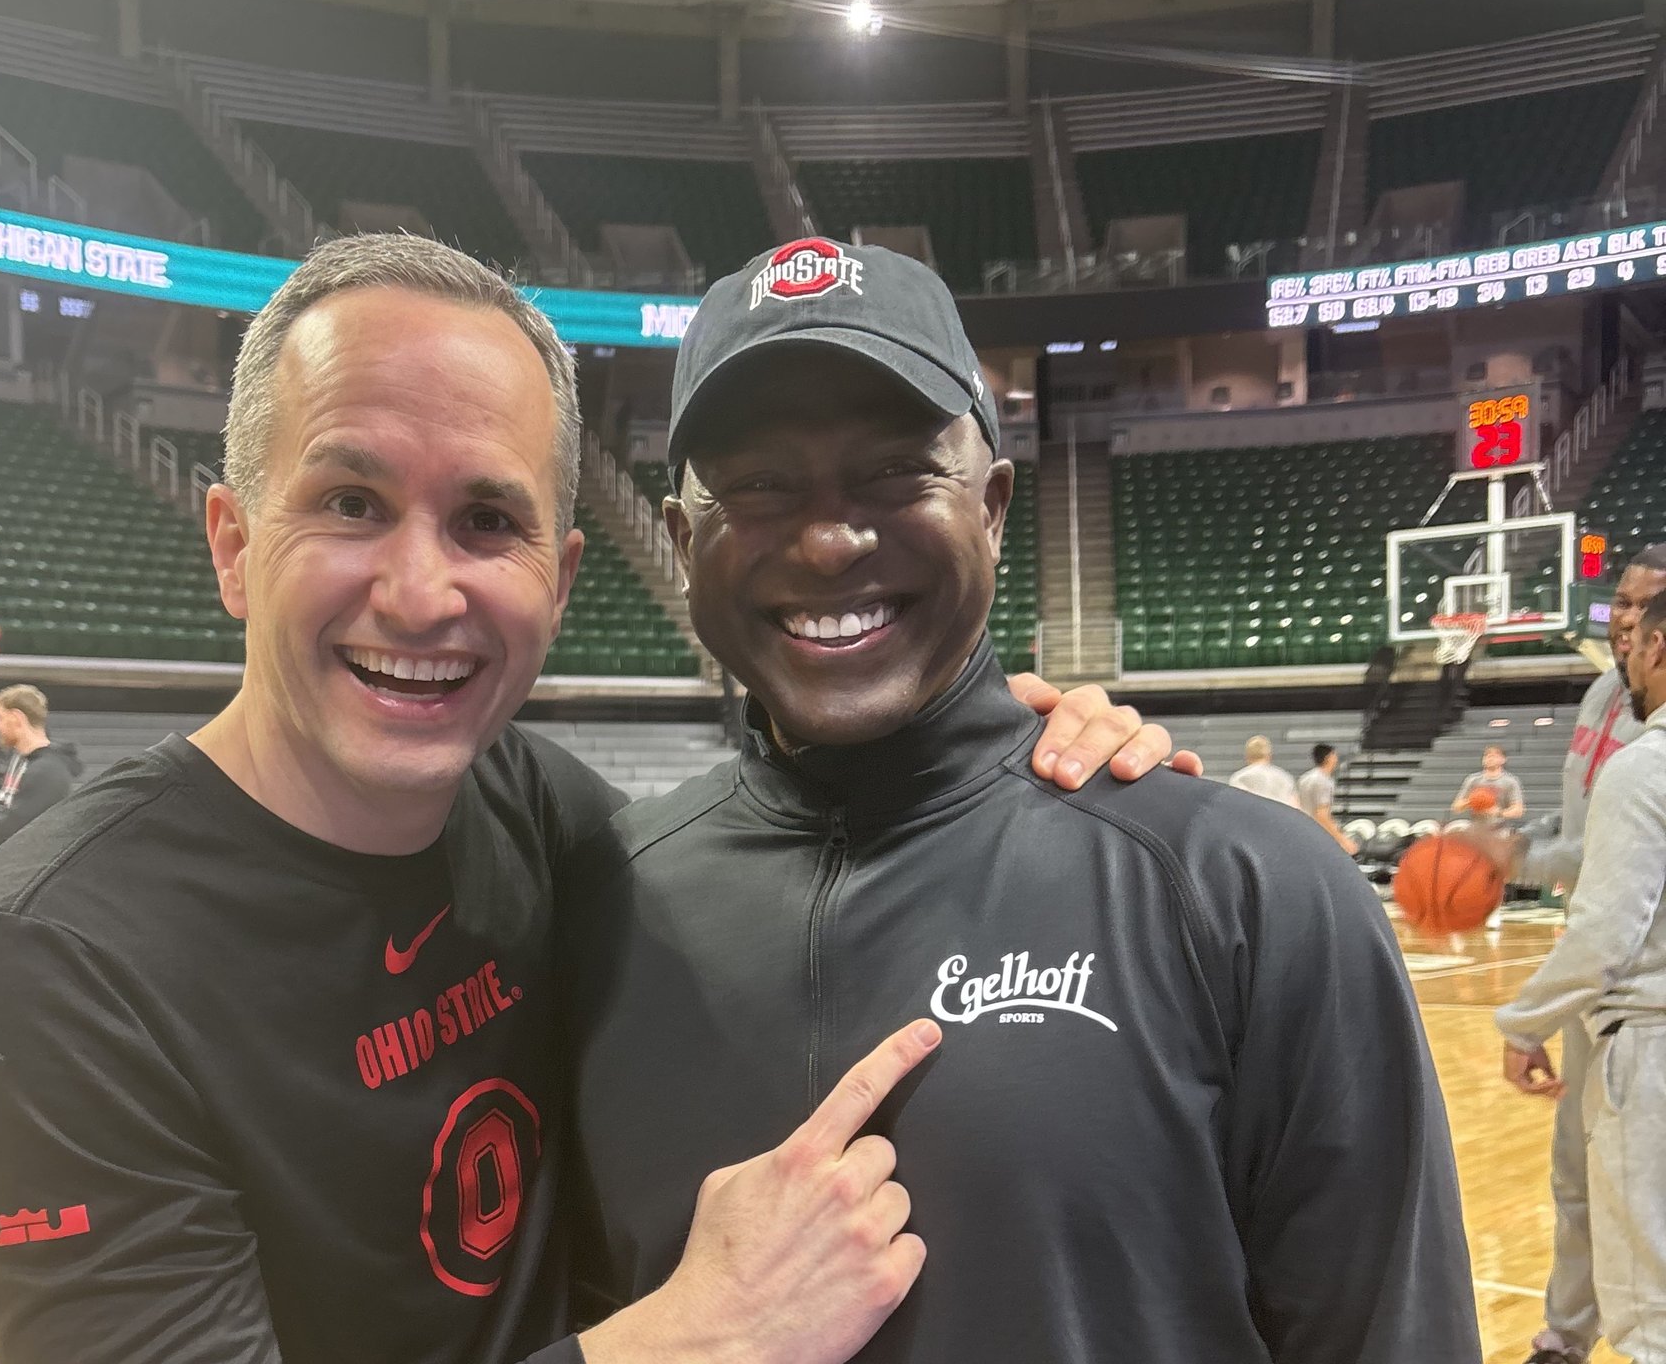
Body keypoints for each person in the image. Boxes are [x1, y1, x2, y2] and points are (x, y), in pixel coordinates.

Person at [0, 233, 1182, 1364]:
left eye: (485, 520)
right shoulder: (49, 954)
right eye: (351, 504)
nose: (421, 594)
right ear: (235, 543)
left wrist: (1001, 746)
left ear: (561, 577)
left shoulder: (537, 813)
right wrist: (695, 1337)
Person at [563, 240, 1480, 1363]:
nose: (828, 536)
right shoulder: (599, 906)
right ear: (678, 539)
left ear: (993, 507)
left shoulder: (1250, 894)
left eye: (897, 472)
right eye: (757, 485)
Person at [1487, 544, 1666, 1364]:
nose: (1625, 621)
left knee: (1651, 1311)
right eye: (1619, 602)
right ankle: (1564, 1335)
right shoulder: (1605, 699)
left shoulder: (1644, 763)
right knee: (1578, 1181)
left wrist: (1524, 1019)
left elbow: (1607, 920)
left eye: (1645, 607)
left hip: (1640, 1014)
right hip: (1615, 998)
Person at [0, 684, 83, 844]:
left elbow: (8, 832)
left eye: (0, 718)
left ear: (16, 718)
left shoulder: (46, 771)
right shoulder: (21, 761)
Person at [1298, 743, 1357, 854]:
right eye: (1334, 755)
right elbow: (1322, 815)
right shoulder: (1324, 781)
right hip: (1317, 834)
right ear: (1328, 758)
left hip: (1303, 829)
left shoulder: (1304, 778)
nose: (1336, 758)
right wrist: (1343, 839)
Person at [1227, 733, 1300, 808]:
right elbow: (1295, 806)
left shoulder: (1240, 778)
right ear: (1269, 755)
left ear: (1247, 756)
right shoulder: (1285, 777)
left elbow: (1236, 805)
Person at [1454, 744, 1525, 819]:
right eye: (1487, 755)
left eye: (1494, 755)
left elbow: (1518, 810)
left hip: (1500, 825)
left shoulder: (1510, 781)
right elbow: (1456, 807)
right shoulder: (1472, 779)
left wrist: (1499, 812)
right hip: (1476, 824)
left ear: (1503, 759)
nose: (1490, 758)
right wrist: (1472, 801)